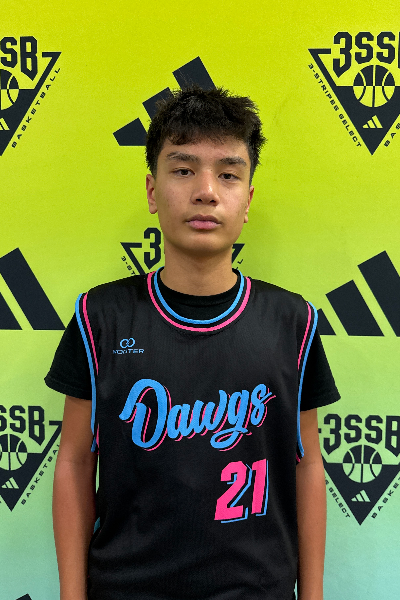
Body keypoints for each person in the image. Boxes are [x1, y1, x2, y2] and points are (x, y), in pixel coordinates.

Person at [46, 86, 340, 600]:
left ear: (247, 200)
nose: (206, 191)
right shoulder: (99, 318)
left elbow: (307, 463)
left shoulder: (294, 323)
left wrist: (311, 595)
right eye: (183, 170)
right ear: (152, 191)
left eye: (228, 174)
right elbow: (73, 462)